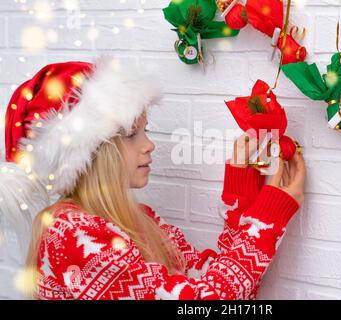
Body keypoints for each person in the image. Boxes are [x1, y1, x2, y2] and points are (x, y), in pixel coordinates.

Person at [2, 57, 306, 300]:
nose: (149, 144)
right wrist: (267, 218)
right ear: (92, 153)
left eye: (145, 130)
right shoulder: (69, 235)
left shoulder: (142, 222)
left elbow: (230, 287)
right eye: (133, 133)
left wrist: (243, 194)